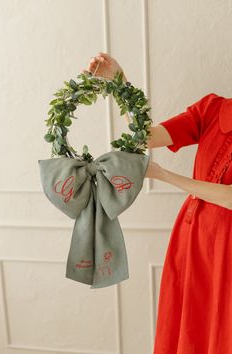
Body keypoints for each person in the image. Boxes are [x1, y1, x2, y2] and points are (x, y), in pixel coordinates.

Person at [83, 52, 232, 353]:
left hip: (226, 248)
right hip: (193, 238)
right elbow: (144, 137)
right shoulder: (213, 109)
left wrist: (164, 175)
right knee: (190, 324)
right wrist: (119, 83)